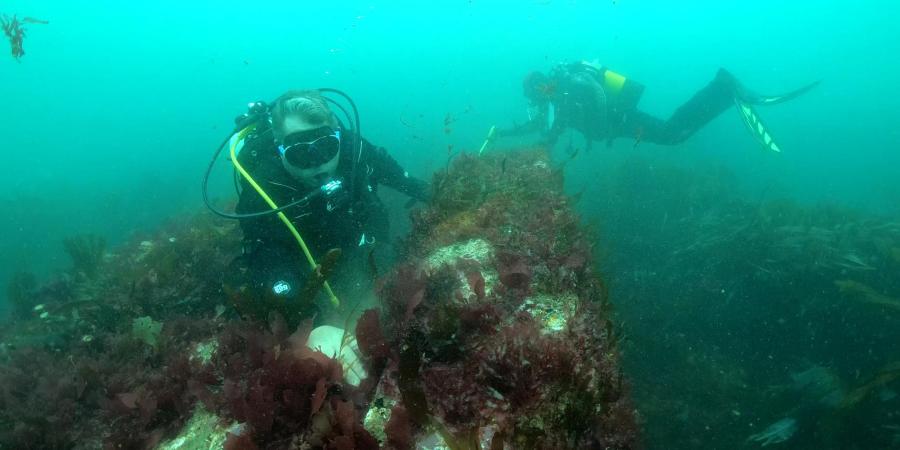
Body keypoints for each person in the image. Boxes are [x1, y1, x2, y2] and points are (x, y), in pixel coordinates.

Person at [223, 89, 430, 324]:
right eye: (300, 153)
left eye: (327, 147)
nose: (318, 163)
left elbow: (404, 181)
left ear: (338, 135)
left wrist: (444, 196)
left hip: (356, 242)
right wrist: (289, 292)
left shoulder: (354, 149)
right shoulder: (263, 182)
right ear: (279, 149)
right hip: (300, 254)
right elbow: (262, 249)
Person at [502, 60, 819, 153]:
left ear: (541, 86)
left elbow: (595, 92)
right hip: (619, 124)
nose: (534, 100)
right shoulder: (558, 100)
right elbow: (548, 125)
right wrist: (506, 134)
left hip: (621, 120)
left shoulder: (569, 84)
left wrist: (599, 126)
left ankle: (722, 88)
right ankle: (721, 90)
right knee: (671, 133)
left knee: (672, 134)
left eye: (533, 94)